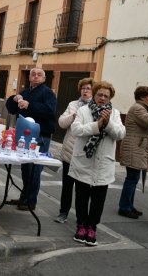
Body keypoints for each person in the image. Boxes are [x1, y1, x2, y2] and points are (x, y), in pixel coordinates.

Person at [69, 81, 125, 246]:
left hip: (103, 165)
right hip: (83, 161)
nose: (102, 98)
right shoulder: (83, 110)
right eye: (99, 94)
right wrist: (97, 125)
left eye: (106, 96)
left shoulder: (114, 113)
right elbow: (76, 130)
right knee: (81, 198)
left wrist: (107, 124)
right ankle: (81, 225)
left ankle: (92, 227)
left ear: (110, 98)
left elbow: (121, 134)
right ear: (94, 94)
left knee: (98, 200)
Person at [5, 68, 57, 211]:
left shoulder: (48, 93)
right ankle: (24, 197)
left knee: (34, 169)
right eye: (33, 74)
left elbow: (50, 112)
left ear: (44, 78)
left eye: (39, 75)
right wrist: (13, 99)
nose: (36, 77)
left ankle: (31, 201)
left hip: (41, 136)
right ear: (29, 77)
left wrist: (30, 105)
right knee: (25, 168)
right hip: (24, 135)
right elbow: (12, 109)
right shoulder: (25, 92)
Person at [118, 86, 148, 219]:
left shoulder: (143, 108)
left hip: (138, 147)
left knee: (133, 178)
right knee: (131, 179)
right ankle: (124, 208)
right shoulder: (138, 108)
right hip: (133, 148)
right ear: (143, 97)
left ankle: (129, 205)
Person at [55, 77, 94, 224]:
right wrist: (73, 116)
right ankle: (63, 212)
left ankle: (81, 217)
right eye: (83, 88)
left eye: (88, 88)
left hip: (84, 153)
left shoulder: (95, 107)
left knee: (82, 189)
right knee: (67, 186)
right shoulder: (73, 104)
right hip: (69, 151)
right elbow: (61, 123)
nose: (85, 91)